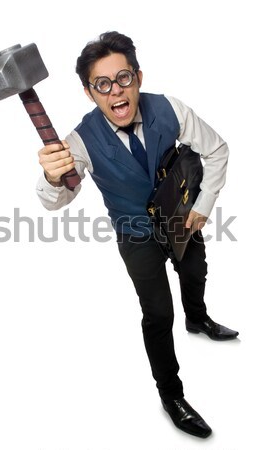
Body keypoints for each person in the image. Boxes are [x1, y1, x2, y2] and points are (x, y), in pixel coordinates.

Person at [36, 31, 238, 438]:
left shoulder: (170, 109)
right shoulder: (79, 142)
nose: (116, 91)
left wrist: (202, 207)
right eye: (103, 84)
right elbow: (53, 200)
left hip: (182, 215)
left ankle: (197, 320)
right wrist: (51, 175)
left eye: (123, 78)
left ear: (138, 78)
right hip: (135, 234)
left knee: (195, 271)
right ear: (90, 92)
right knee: (159, 314)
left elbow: (217, 150)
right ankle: (171, 395)